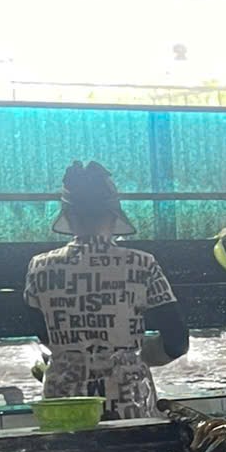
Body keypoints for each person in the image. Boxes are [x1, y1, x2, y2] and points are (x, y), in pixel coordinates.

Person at [23, 160, 187, 420]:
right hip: (129, 402)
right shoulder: (142, 264)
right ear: (113, 215)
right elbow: (177, 342)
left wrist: (74, 356)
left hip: (64, 402)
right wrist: (133, 355)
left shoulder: (40, 267)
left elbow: (45, 334)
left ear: (69, 216)